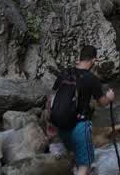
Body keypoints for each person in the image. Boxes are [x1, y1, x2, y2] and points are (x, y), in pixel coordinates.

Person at [46, 45, 115, 175]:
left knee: (74, 157)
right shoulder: (91, 79)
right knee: (85, 166)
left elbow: (51, 99)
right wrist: (110, 97)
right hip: (79, 127)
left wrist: (49, 124)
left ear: (80, 58)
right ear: (94, 60)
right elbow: (102, 103)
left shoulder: (64, 73)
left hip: (60, 126)